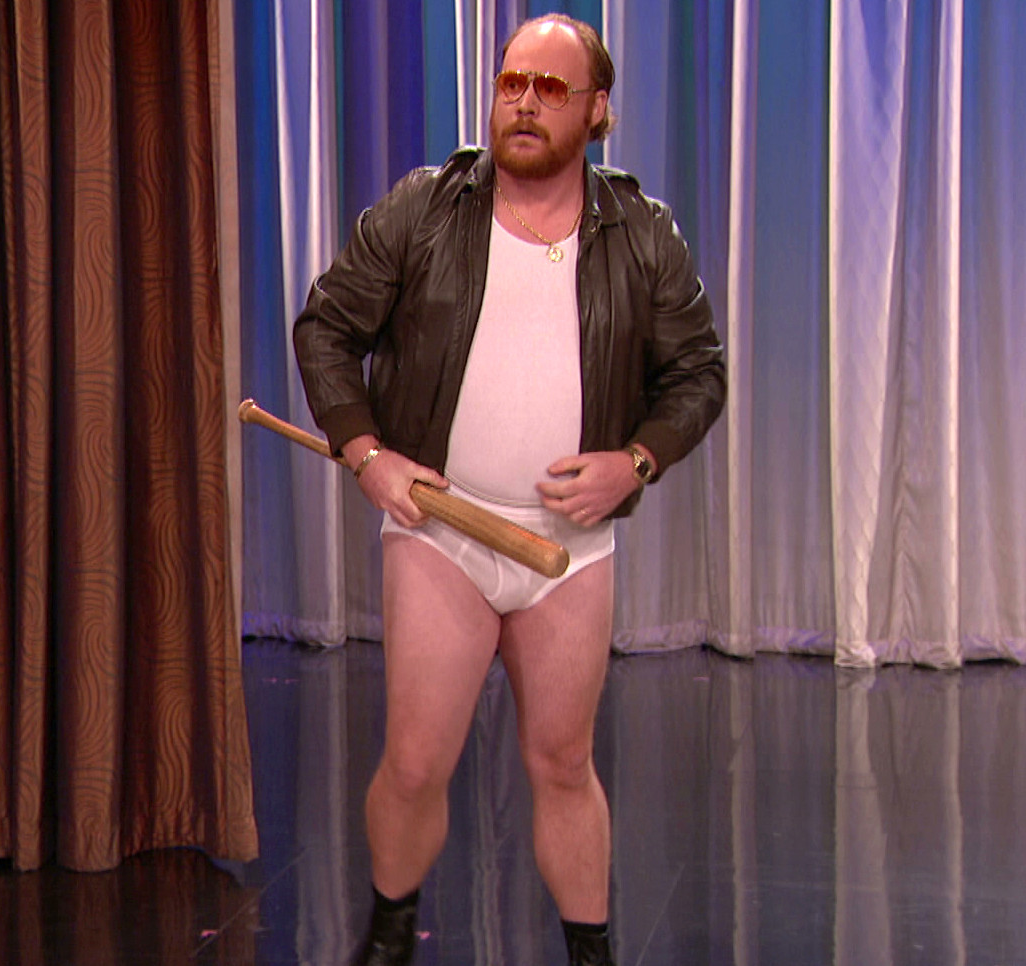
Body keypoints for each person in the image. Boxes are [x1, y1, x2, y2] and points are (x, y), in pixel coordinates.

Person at [293, 13, 724, 966]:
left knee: (564, 764)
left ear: (598, 110)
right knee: (416, 763)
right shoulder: (426, 208)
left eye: (551, 88)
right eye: (511, 83)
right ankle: (389, 938)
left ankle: (591, 952)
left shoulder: (641, 233)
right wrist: (367, 453)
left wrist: (635, 462)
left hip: (567, 548)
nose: (524, 103)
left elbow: (698, 372)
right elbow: (326, 327)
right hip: (439, 535)